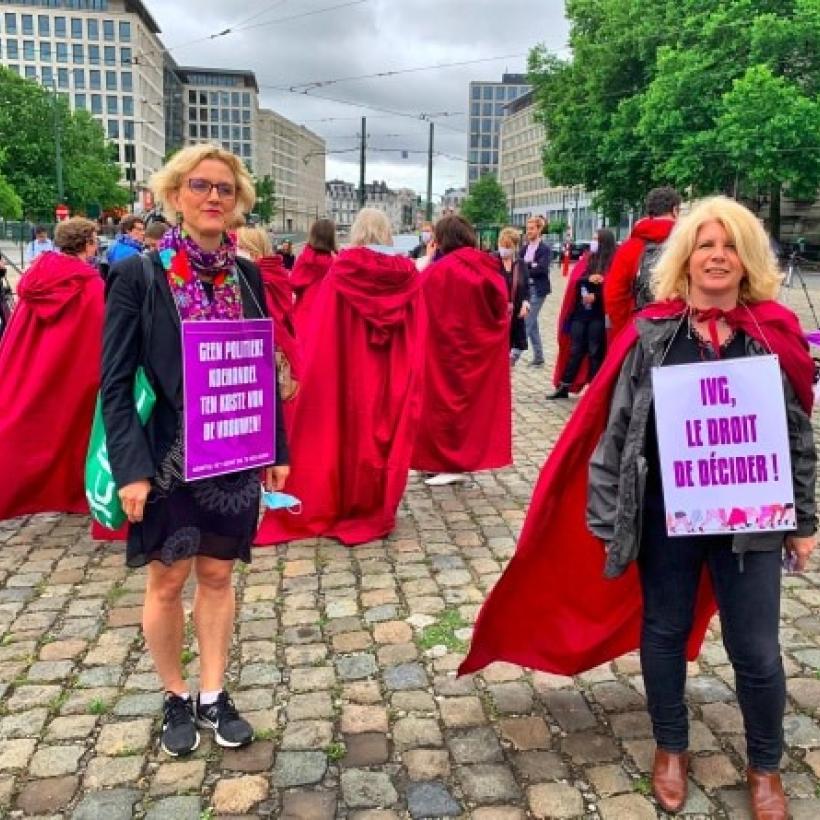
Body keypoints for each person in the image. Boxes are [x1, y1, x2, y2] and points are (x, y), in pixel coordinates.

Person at [461, 197, 816, 820]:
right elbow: (617, 431)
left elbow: (795, 437)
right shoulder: (653, 335)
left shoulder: (772, 334)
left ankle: (765, 767)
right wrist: (607, 518)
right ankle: (670, 746)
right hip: (665, 515)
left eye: (730, 246)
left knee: (756, 649)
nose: (717, 256)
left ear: (747, 259)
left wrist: (804, 522)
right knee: (664, 630)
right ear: (686, 257)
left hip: (751, 522)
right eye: (705, 245)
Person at [101, 145, 290, 757]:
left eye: (225, 189)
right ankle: (174, 695)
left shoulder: (246, 275)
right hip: (165, 456)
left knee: (217, 573)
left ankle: (212, 692)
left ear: (238, 203)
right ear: (175, 194)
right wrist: (131, 469)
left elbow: (260, 366)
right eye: (201, 186)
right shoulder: (140, 275)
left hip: (232, 454)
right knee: (167, 579)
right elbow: (114, 382)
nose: (213, 197)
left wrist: (275, 445)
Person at [255, 208, 424, 546]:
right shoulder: (408, 275)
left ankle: (340, 500)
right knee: (385, 436)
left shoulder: (342, 271)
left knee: (344, 434)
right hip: (391, 372)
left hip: (348, 371)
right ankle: (376, 503)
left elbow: (325, 331)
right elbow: (418, 331)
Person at [0, 218, 104, 519]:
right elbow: (99, 329)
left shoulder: (36, 275)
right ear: (87, 244)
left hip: (34, 367)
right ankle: (70, 491)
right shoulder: (89, 283)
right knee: (74, 432)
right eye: (94, 240)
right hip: (74, 371)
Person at [412, 215, 512, 485]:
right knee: (465, 407)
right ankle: (446, 460)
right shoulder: (486, 266)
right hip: (474, 348)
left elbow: (415, 295)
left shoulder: (442, 270)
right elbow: (500, 306)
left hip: (446, 350)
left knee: (442, 406)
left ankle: (448, 462)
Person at [236, 225, 301, 427]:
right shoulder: (276, 274)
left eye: (238, 247)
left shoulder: (256, 280)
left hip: (265, 362)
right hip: (288, 354)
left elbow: (268, 325)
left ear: (250, 251)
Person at [604, 185, 681, 338]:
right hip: (680, 331)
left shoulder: (629, 247)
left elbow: (614, 296)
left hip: (639, 329)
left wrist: (626, 332)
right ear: (675, 210)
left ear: (649, 212)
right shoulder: (688, 244)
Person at [549, 228, 616, 399]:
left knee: (595, 352)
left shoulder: (613, 262)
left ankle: (594, 389)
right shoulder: (587, 260)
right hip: (580, 313)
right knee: (575, 350)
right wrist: (588, 279)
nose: (593, 242)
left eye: (596, 239)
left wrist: (598, 294)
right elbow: (576, 281)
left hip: (599, 315)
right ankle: (564, 386)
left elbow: (614, 287)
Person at [291, 218, 336, 338]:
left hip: (305, 313)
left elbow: (293, 283)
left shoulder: (305, 259)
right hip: (329, 315)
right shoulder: (336, 263)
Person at [519, 216, 551, 365]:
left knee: (526, 322)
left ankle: (512, 356)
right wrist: (530, 265)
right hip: (525, 290)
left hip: (538, 290)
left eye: (532, 228)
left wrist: (528, 267)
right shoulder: (524, 249)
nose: (529, 231)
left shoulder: (545, 249)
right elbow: (519, 266)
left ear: (539, 230)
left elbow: (542, 269)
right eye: (527, 228)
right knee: (533, 325)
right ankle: (539, 357)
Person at [494, 227, 528, 365]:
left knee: (515, 347)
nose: (504, 249)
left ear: (515, 247)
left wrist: (526, 303)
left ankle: (507, 365)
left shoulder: (520, 264)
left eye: (508, 246)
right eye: (502, 245)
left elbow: (526, 288)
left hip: (515, 314)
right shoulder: (492, 261)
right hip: (496, 314)